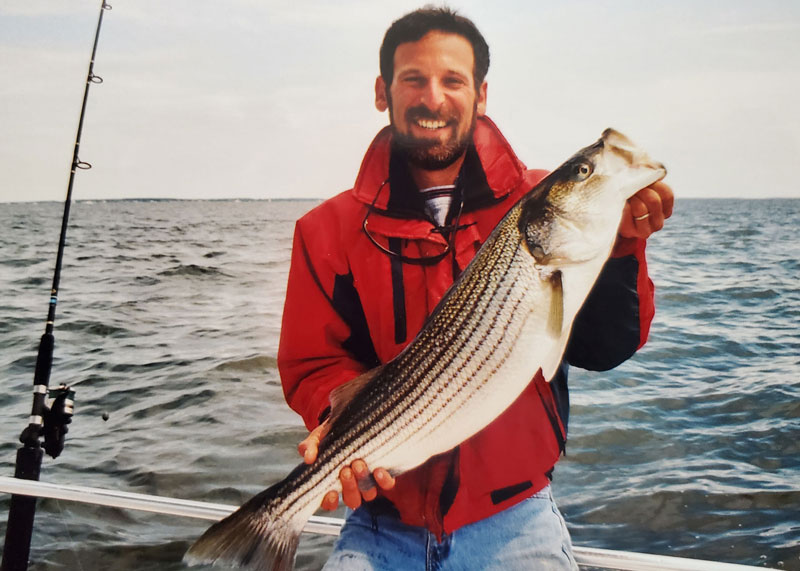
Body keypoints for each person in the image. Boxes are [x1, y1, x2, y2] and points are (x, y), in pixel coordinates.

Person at [278, 7, 673, 570]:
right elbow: (313, 363)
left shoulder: (534, 202)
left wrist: (624, 246)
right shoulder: (325, 230)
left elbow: (605, 349)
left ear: (481, 94)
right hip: (379, 522)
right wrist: (340, 428)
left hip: (518, 521)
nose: (432, 98)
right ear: (381, 92)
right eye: (413, 78)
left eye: (452, 80)